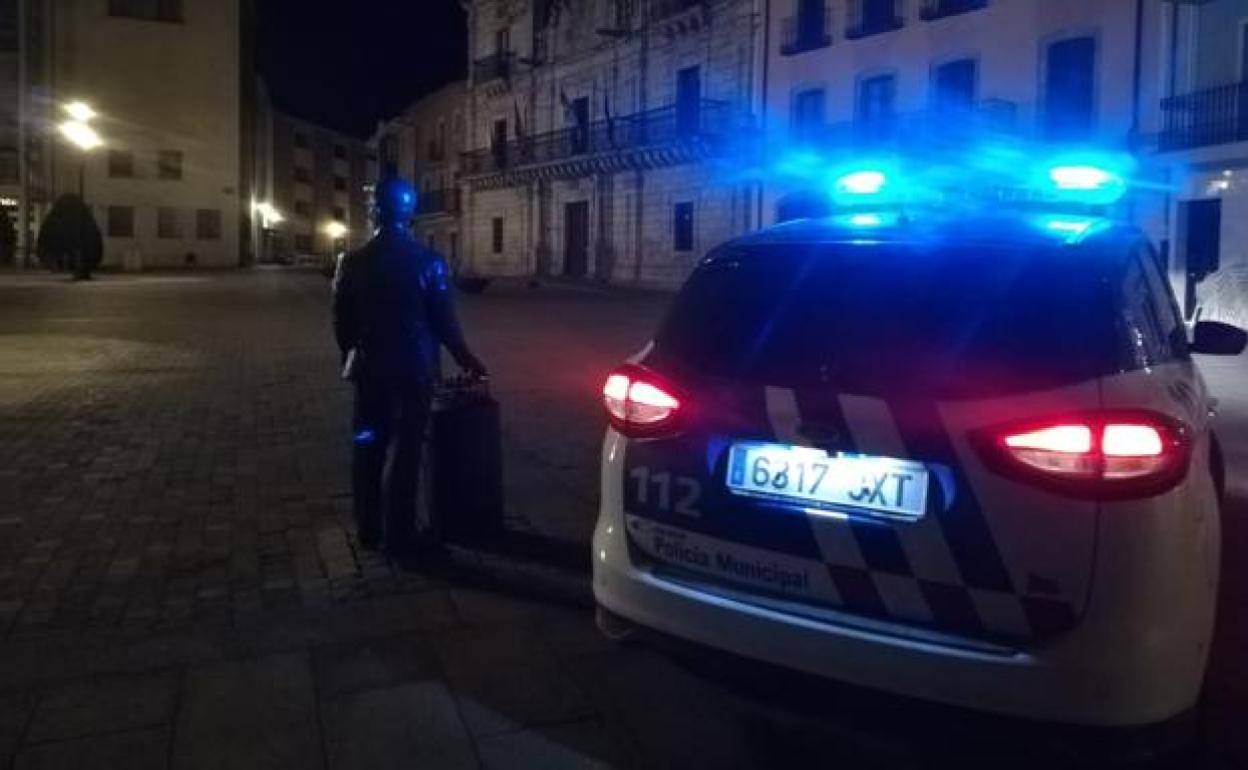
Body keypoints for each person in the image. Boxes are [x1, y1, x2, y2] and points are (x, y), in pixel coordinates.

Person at [332, 176, 487, 559]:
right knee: (406, 450)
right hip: (414, 370)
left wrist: (352, 354)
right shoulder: (429, 263)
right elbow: (445, 323)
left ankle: (368, 526)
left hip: (370, 370)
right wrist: (469, 359)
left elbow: (341, 322)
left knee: (368, 444)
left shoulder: (350, 263)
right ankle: (400, 534)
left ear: (374, 212)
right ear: (410, 214)